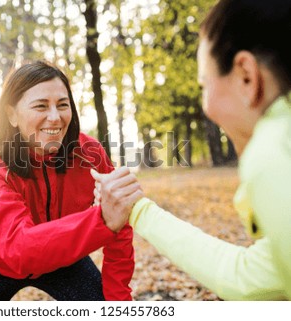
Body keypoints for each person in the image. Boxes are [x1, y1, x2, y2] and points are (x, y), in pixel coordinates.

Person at [92, 0, 291, 300]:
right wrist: (140, 211)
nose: (205, 104)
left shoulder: (272, 150)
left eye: (204, 85)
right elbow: (258, 279)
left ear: (247, 76)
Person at [0, 61, 134, 301]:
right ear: (11, 114)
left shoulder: (90, 153)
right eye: (41, 106)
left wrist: (118, 303)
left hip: (64, 257)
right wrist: (102, 219)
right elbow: (18, 249)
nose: (55, 117)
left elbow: (120, 226)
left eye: (63, 105)